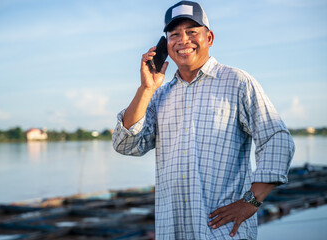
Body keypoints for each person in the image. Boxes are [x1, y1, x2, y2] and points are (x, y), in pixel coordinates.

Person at [112, 1, 295, 239]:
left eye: (192, 32)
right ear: (165, 45)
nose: (183, 40)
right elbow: (125, 145)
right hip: (173, 230)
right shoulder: (159, 95)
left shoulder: (237, 82)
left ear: (209, 37)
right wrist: (146, 88)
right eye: (174, 34)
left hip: (223, 232)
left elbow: (276, 139)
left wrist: (252, 201)